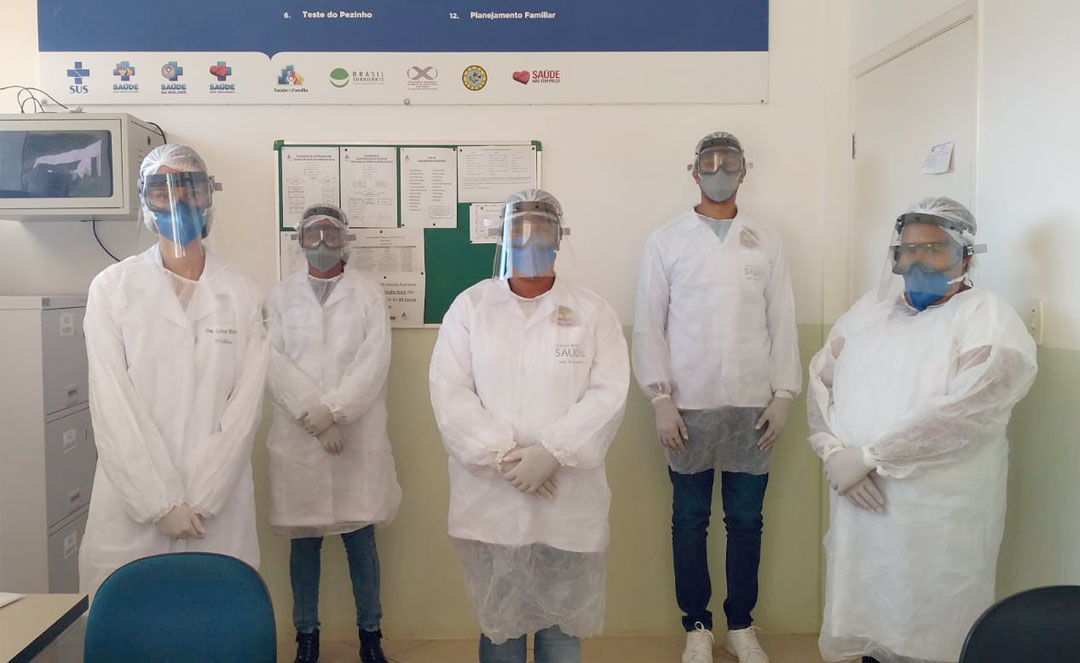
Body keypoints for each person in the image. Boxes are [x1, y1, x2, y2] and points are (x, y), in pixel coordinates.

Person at [807, 197, 1037, 663]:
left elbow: (970, 411)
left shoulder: (987, 317)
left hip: (937, 510)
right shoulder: (868, 313)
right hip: (859, 499)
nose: (917, 261)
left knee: (929, 618)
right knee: (867, 608)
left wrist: (870, 457)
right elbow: (821, 381)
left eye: (933, 249)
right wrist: (833, 452)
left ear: (965, 257)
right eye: (908, 250)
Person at [429, 189, 629, 663]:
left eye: (542, 232)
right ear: (503, 239)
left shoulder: (592, 312)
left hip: (567, 498)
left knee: (561, 628)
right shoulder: (470, 308)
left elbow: (609, 393)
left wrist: (553, 451)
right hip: (492, 497)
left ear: (560, 239)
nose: (530, 242)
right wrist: (502, 454)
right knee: (501, 629)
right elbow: (449, 392)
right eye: (519, 232)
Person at [632, 132, 801, 663]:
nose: (720, 171)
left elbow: (782, 319)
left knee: (746, 522)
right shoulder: (666, 241)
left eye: (730, 163)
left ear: (745, 172)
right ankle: (698, 626)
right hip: (687, 406)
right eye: (710, 162)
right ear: (694, 171)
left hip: (753, 405)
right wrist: (659, 397)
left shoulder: (765, 239)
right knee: (689, 522)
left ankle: (741, 625)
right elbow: (649, 324)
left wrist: (784, 393)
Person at [79, 144, 269, 598]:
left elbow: (243, 412)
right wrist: (156, 502)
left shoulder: (242, 293)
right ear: (146, 202)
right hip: (131, 509)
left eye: (190, 189)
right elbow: (112, 404)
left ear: (208, 197)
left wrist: (203, 497)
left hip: (216, 511)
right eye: (162, 193)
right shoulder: (113, 289)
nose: (178, 203)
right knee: (129, 623)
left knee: (215, 622)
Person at [265, 204, 400, 663]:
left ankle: (370, 635)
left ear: (345, 241)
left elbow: (373, 363)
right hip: (299, 442)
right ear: (299, 240)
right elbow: (273, 362)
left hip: (356, 440)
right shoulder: (279, 297)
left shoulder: (368, 295)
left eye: (330, 234)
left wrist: (336, 412)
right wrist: (315, 416)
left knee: (361, 541)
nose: (322, 243)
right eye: (312, 234)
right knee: (304, 547)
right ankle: (306, 636)